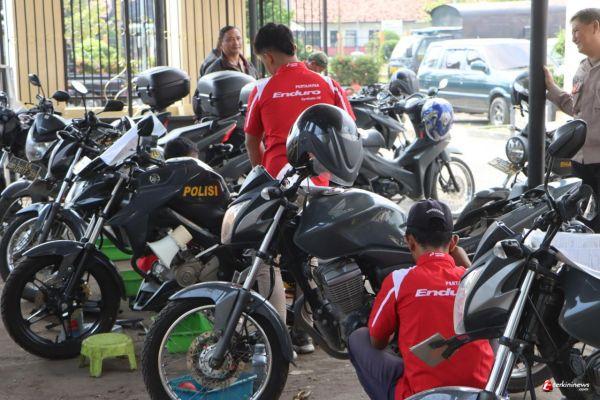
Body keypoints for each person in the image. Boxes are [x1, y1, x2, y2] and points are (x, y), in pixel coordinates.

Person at [244, 23, 355, 355]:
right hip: (317, 187)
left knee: (268, 259)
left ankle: (278, 339)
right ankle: (310, 332)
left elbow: (251, 140)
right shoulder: (327, 84)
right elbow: (349, 130)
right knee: (312, 257)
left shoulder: (263, 89)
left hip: (278, 187)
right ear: (293, 47)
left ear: (268, 56)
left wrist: (260, 173)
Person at [348, 199, 494, 400]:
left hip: (422, 395)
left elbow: (377, 341)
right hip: (482, 394)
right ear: (453, 242)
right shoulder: (474, 280)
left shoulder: (399, 280)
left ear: (409, 241)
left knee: (358, 338)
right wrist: (469, 267)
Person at [545, 8, 600, 229]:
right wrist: (551, 88)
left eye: (577, 31)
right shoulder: (582, 69)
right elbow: (577, 111)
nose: (573, 38)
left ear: (595, 26)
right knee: (581, 225)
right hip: (580, 161)